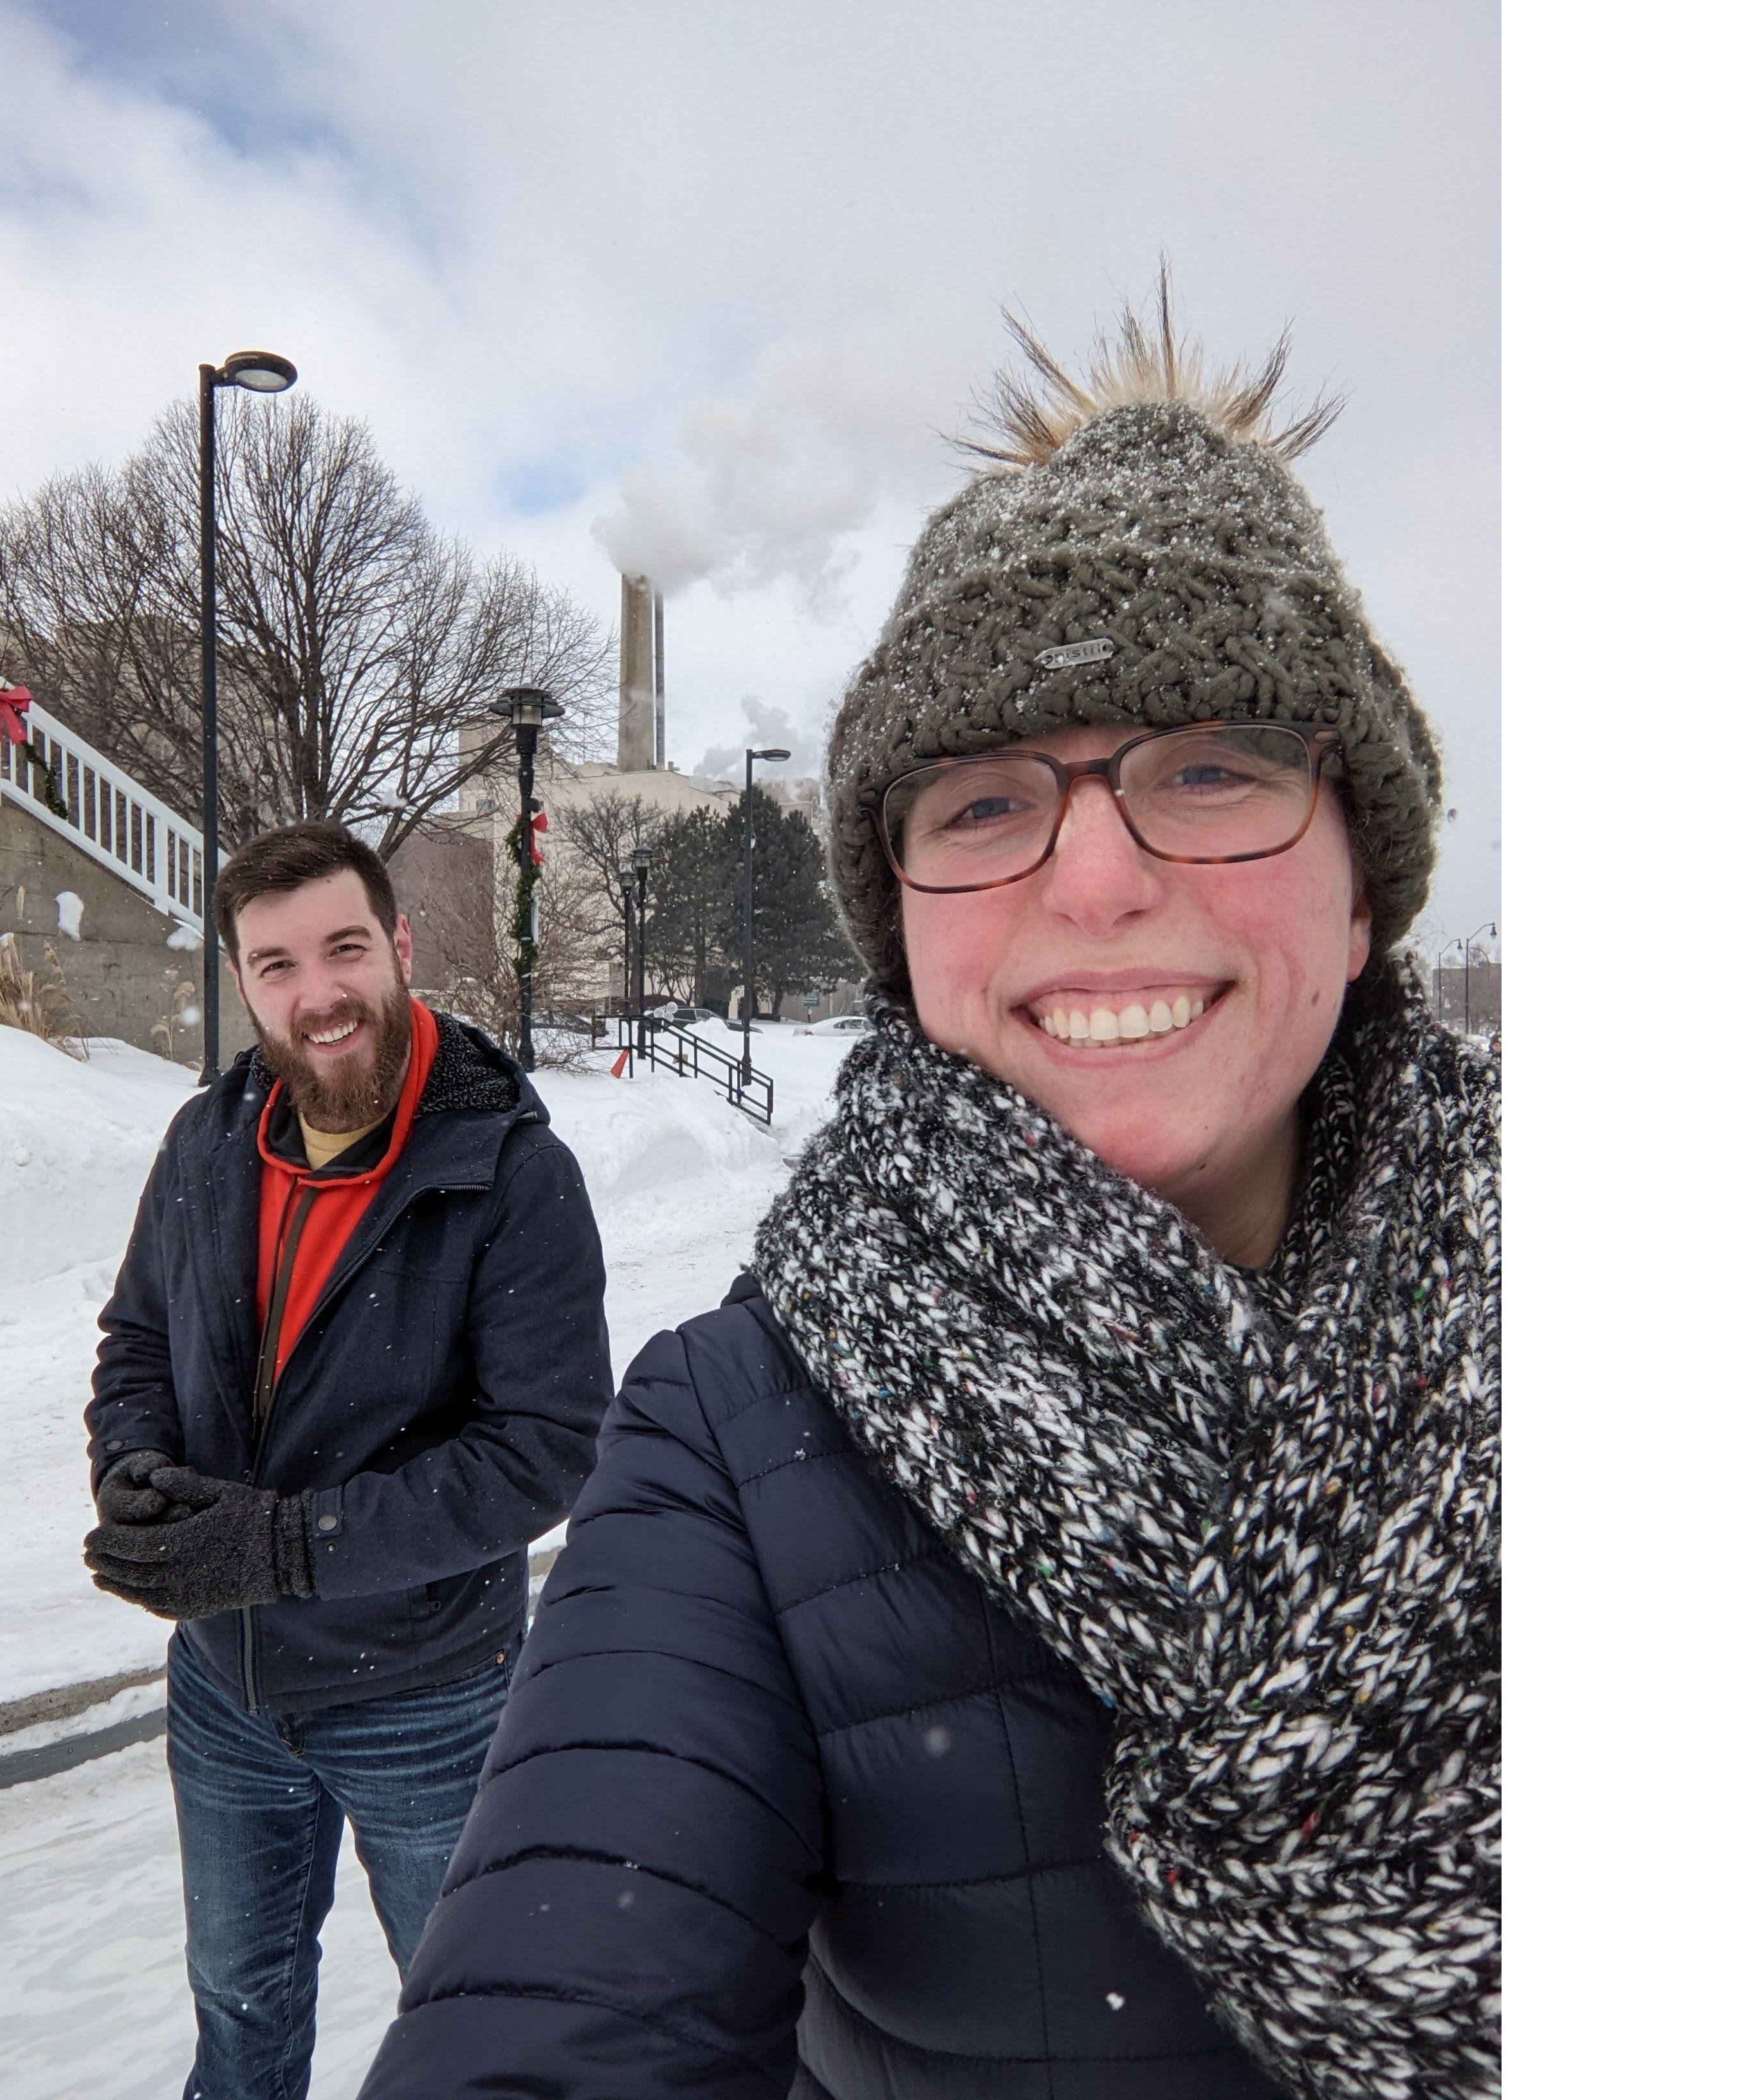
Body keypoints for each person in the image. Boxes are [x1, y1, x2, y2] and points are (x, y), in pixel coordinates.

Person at [358, 293, 1499, 2100]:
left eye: (1211, 765)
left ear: (1370, 886)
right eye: (983, 801)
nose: (1102, 878)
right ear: (905, 930)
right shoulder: (733, 1449)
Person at [82, 819, 611, 2099]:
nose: (317, 996)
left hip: (427, 1697)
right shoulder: (208, 1144)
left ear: (401, 947)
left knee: (486, 2027)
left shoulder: (513, 1173)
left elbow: (544, 1451)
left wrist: (280, 1546)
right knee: (240, 2010)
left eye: (344, 950)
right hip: (225, 1693)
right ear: (244, 982)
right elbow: (139, 1337)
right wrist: (132, 1469)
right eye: (275, 965)